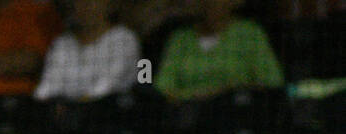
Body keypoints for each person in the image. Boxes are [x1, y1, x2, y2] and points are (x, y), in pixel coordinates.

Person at [154, 0, 283, 100]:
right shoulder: (181, 38)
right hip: (190, 119)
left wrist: (229, 92)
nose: (210, 3)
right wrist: (198, 96)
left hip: (236, 116)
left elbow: (272, 83)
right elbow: (164, 88)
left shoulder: (249, 33)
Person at [33, 0, 141, 100]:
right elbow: (46, 88)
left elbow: (108, 87)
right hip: (66, 115)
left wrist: (77, 106)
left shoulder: (123, 39)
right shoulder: (62, 44)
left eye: (91, 1)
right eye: (79, 1)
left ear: (109, 5)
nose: (85, 6)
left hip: (110, 114)